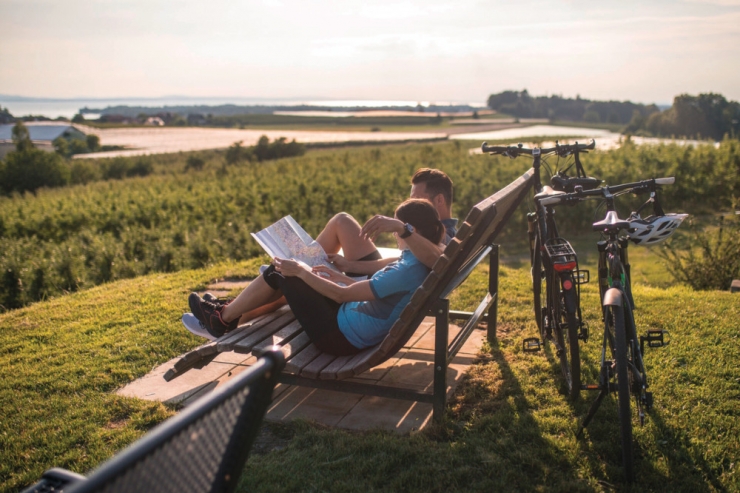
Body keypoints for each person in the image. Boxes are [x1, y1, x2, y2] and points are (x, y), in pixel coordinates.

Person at [189, 198, 446, 354]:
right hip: (349, 319)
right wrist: (339, 275)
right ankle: (225, 313)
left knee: (283, 271)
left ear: (411, 231)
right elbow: (361, 290)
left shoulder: (408, 269)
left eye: (395, 229)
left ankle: (221, 318)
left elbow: (342, 295)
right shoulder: (418, 260)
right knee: (293, 269)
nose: (393, 234)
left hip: (338, 337)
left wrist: (302, 271)